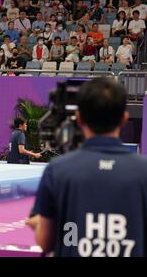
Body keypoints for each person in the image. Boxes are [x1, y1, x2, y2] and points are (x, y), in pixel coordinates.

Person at [27, 77, 147, 257]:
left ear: (80, 117)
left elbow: (45, 241)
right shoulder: (143, 171)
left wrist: (39, 223)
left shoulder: (59, 170)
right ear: (124, 118)